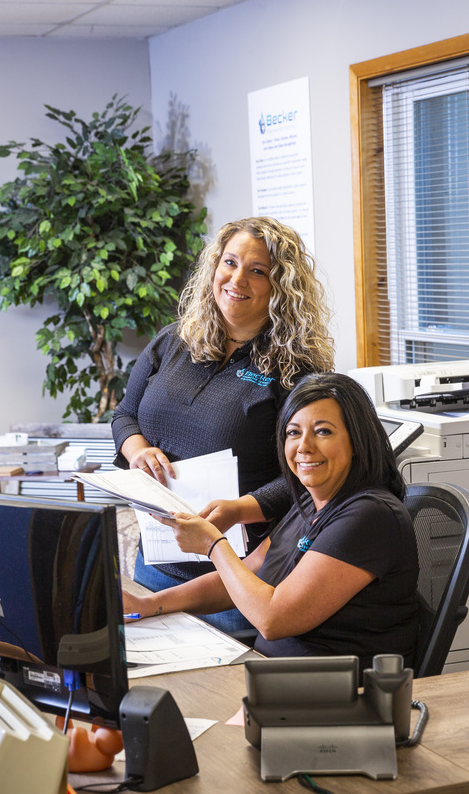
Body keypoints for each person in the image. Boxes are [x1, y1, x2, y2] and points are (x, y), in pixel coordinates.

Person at [111, 216, 335, 632]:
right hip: (155, 565)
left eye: (257, 271)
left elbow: (311, 477)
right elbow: (124, 414)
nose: (237, 279)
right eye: (229, 263)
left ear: (280, 287)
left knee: (216, 694)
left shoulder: (299, 373)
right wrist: (137, 450)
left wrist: (239, 510)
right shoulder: (172, 341)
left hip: (235, 580)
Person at [122, 373, 420, 669]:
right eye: (293, 432)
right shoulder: (310, 498)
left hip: (336, 696)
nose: (304, 446)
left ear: (357, 439)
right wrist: (149, 605)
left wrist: (213, 545)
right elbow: (248, 573)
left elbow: (272, 619)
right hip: (274, 678)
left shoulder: (370, 516)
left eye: (323, 431)